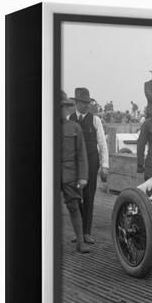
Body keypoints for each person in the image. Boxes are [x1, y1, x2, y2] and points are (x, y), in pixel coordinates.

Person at [69, 87, 109, 245]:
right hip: (75, 164)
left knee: (89, 196)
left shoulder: (95, 120)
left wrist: (105, 165)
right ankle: (78, 232)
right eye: (83, 103)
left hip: (92, 162)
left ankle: (86, 232)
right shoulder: (69, 119)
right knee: (75, 197)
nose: (86, 106)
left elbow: (103, 144)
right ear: (76, 102)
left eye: (88, 103)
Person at [61, 91, 89, 254]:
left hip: (70, 175)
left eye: (64, 107)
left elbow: (82, 154)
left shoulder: (74, 128)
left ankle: (80, 241)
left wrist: (83, 176)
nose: (63, 110)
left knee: (73, 206)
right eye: (59, 107)